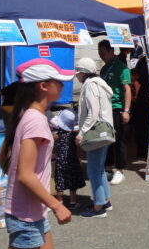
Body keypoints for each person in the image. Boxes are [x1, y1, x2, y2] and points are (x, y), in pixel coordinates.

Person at [0, 58, 73, 249]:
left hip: (31, 211)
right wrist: (56, 204)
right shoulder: (35, 120)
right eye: (58, 81)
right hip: (26, 214)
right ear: (43, 86)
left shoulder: (29, 115)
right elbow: (26, 175)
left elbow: (2, 160)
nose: (62, 85)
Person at [74, 57, 115, 218]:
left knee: (93, 169)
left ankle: (99, 207)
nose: (76, 75)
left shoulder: (90, 85)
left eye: (78, 72)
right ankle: (104, 200)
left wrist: (82, 132)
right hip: (104, 130)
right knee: (98, 168)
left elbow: (93, 112)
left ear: (83, 72)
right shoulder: (99, 83)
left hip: (95, 131)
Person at [98, 39, 132, 185]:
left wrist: (126, 110)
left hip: (117, 107)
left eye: (103, 52)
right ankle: (107, 168)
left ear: (111, 51)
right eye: (99, 53)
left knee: (119, 140)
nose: (101, 56)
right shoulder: (104, 69)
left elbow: (127, 89)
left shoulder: (121, 67)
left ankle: (120, 170)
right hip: (104, 109)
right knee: (106, 139)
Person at [50, 108, 85, 210]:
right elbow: (78, 147)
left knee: (60, 181)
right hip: (72, 161)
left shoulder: (58, 136)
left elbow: (53, 142)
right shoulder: (74, 135)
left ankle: (59, 201)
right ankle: (73, 202)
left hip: (60, 162)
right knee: (72, 183)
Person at [131, 55, 149, 160]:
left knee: (143, 125)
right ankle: (145, 152)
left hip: (145, 93)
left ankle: (143, 152)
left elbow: (137, 76)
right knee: (147, 125)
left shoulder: (144, 59)